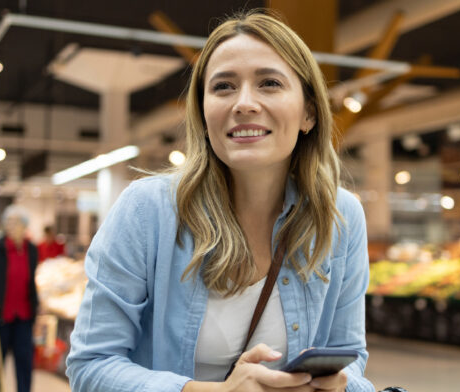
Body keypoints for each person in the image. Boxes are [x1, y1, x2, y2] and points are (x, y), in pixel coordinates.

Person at [66, 10, 373, 392]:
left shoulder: (340, 217)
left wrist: (341, 386)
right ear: (204, 112)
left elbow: (351, 358)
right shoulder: (147, 212)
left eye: (269, 83)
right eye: (224, 87)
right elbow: (90, 366)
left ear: (308, 112)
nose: (244, 103)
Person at [0, 205, 39, 392]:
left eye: (15, 222)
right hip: (0, 316)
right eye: (7, 222)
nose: (9, 226)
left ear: (24, 225)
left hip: (25, 316)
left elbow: (30, 281)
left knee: (25, 363)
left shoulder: (32, 250)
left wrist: (37, 304)